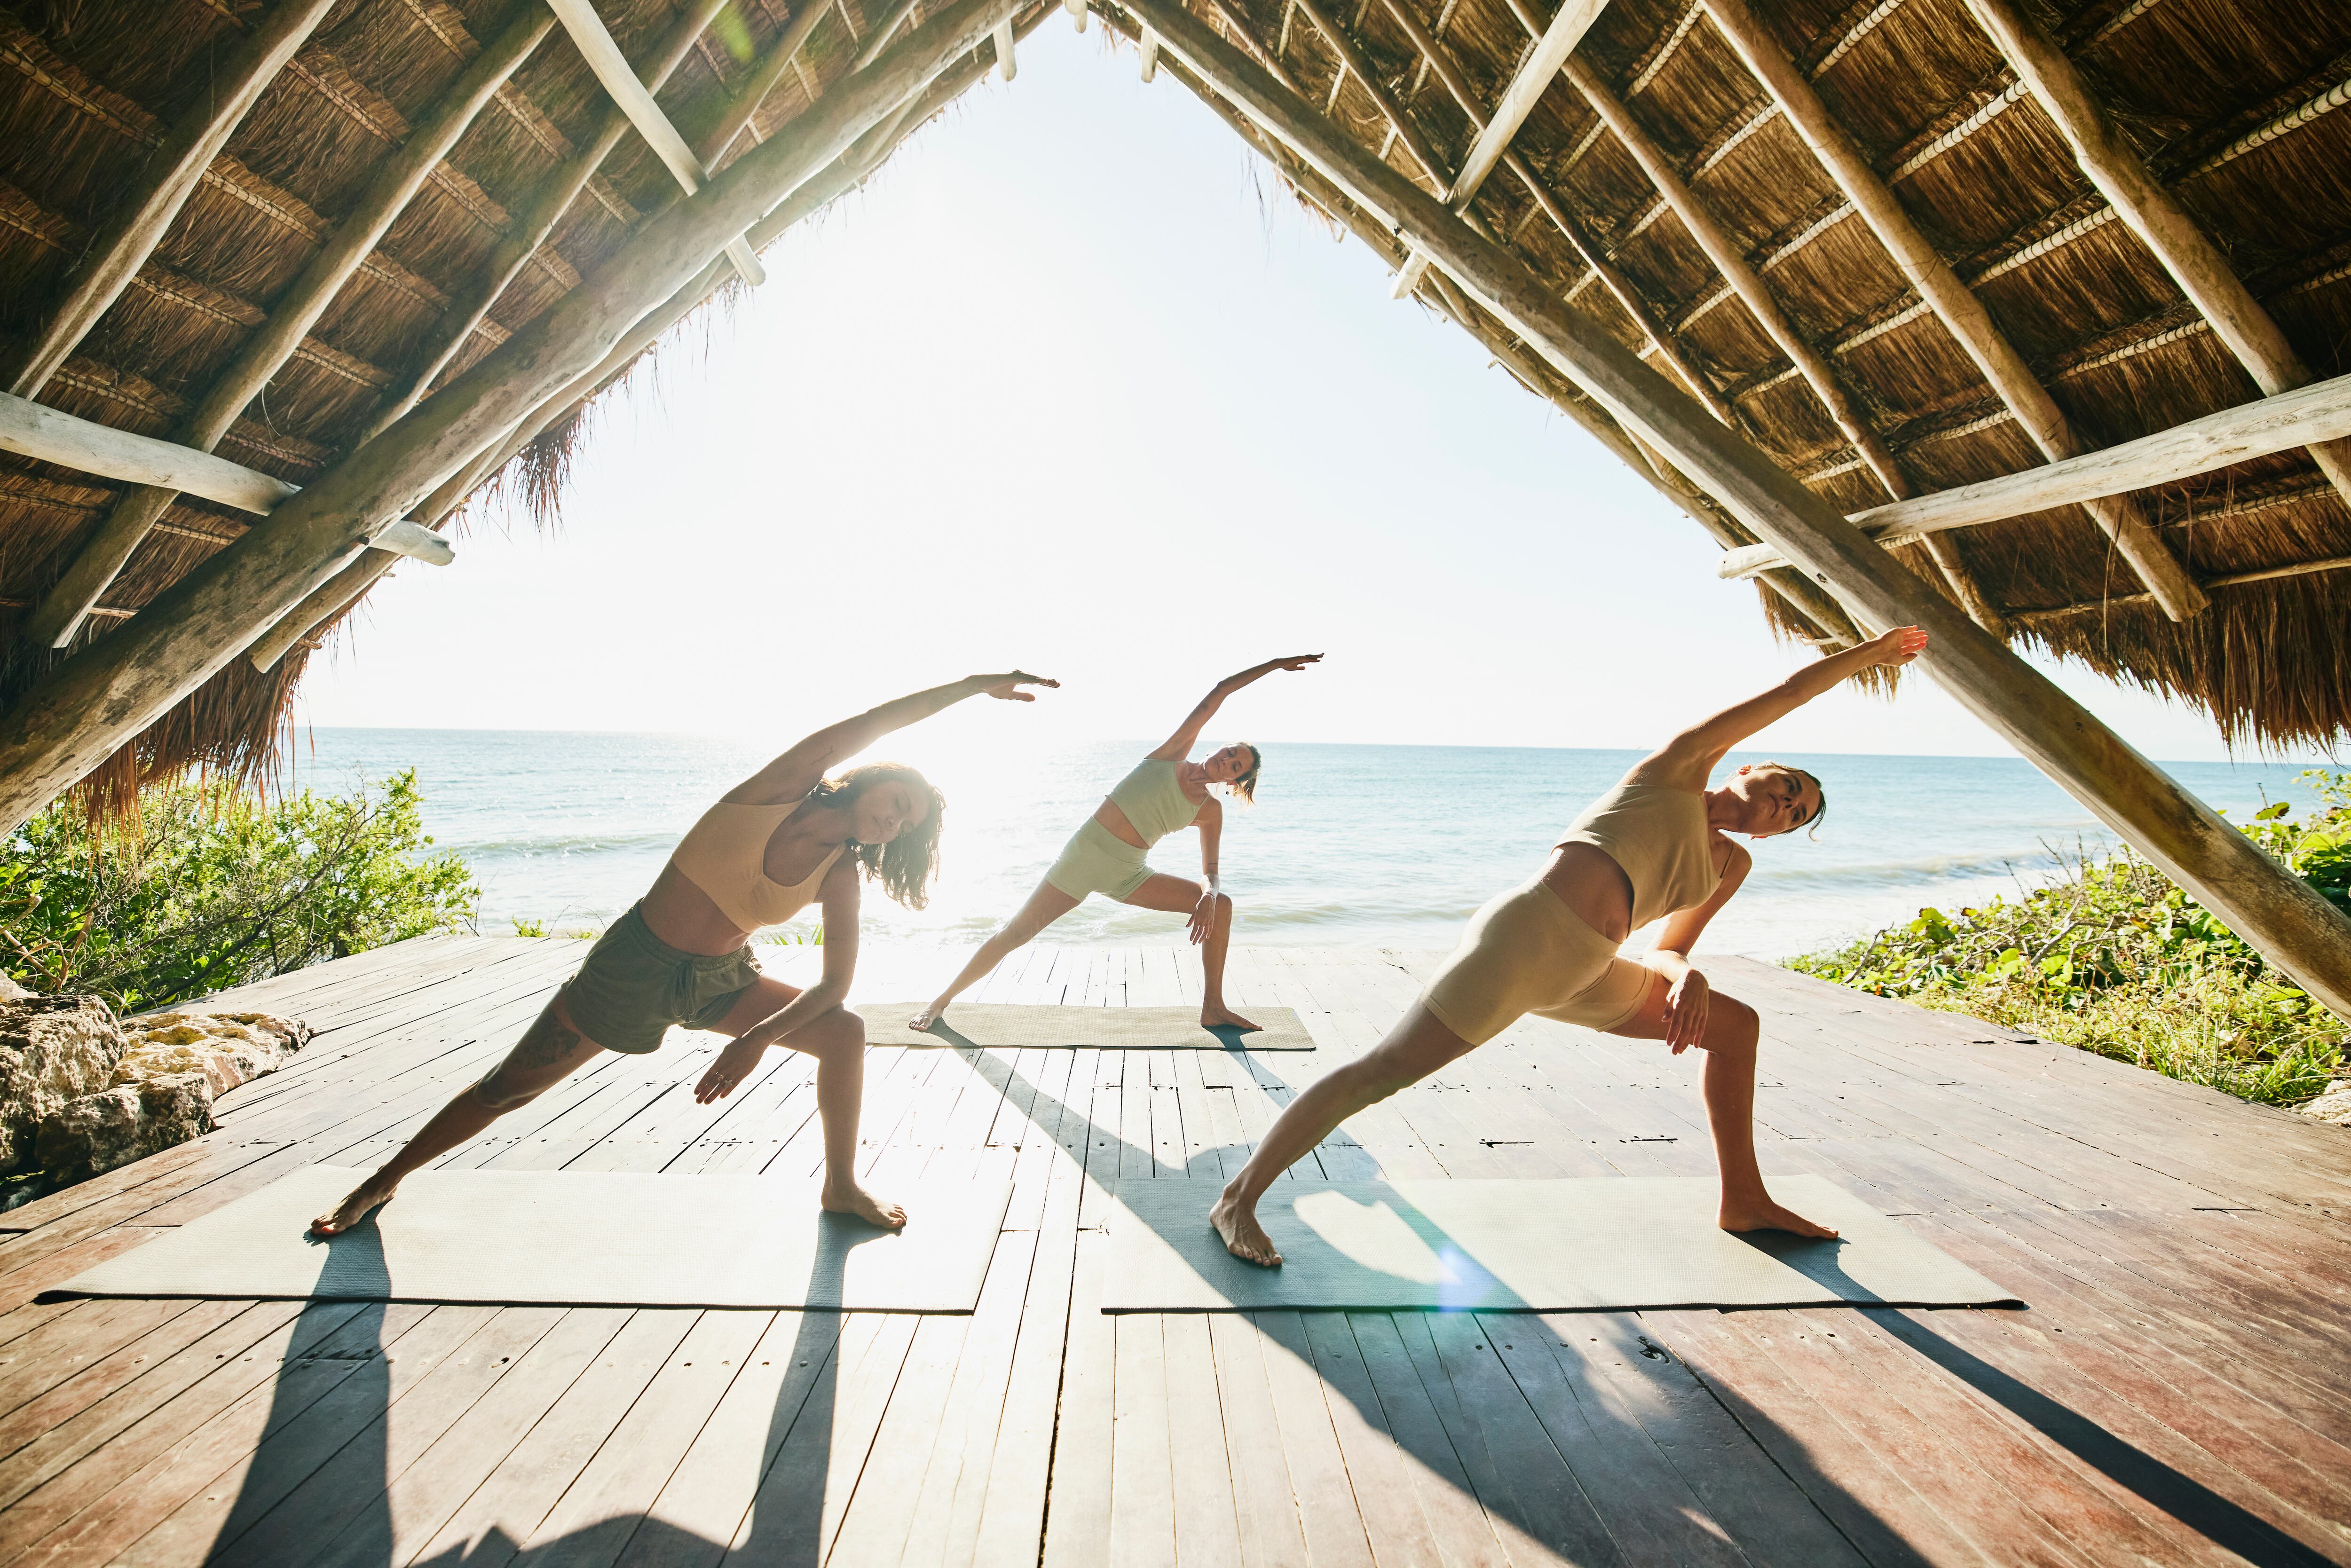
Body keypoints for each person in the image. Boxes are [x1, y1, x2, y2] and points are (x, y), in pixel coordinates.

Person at [1208, 628, 1931, 1265]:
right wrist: (1871, 654)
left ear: (1774, 834)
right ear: (1753, 767)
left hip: (1587, 973)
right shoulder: (1677, 770)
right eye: (1788, 785)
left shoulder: (1732, 864)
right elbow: (1791, 689)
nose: (1784, 805)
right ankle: (1238, 1198)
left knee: (1737, 1027)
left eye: (1795, 814)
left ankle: (1744, 1198)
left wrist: (1687, 975)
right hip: (1527, 939)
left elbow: (1668, 947)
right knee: (1383, 1071)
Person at [309, 671, 1057, 1238]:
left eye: (907, 820)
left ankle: (840, 1185)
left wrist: (760, 1037)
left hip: (719, 983)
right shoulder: (777, 789)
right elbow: (870, 721)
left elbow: (836, 984)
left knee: (845, 1031)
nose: (895, 818)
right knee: (509, 1088)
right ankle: (385, 1176)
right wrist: (969, 688)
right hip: (633, 965)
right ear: (866, 782)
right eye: (896, 799)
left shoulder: (841, 874)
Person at [912, 655, 1322, 1034]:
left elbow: (1211, 870)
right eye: (1231, 752)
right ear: (1218, 746)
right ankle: (939, 1003)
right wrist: (1275, 665)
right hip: (1083, 858)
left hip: (1129, 873)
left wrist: (1209, 894)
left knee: (1223, 903)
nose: (1228, 761)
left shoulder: (1210, 810)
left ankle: (1213, 1006)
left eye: (1236, 767)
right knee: (1015, 933)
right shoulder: (1171, 755)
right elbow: (1220, 691)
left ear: (1234, 781)